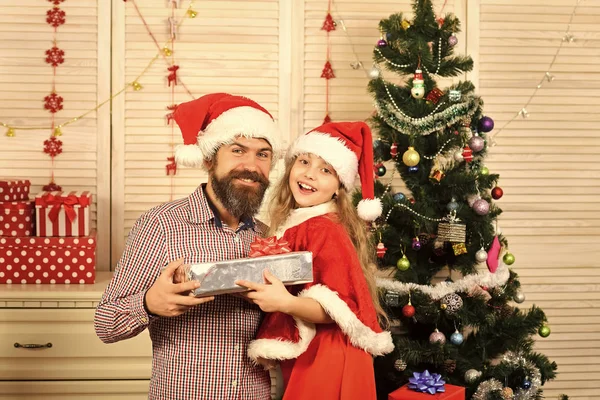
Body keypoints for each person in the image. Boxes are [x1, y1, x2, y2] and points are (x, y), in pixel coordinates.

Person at [94, 92, 281, 400]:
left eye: (263, 154)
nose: (252, 165)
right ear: (208, 158)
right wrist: (148, 304)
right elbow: (106, 324)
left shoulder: (266, 235)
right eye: (238, 150)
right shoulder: (161, 225)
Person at [235, 121, 394, 399]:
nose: (310, 174)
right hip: (316, 351)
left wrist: (284, 302)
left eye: (325, 170)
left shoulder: (323, 227)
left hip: (332, 353)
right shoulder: (299, 222)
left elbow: (339, 304)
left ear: (338, 187)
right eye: (304, 161)